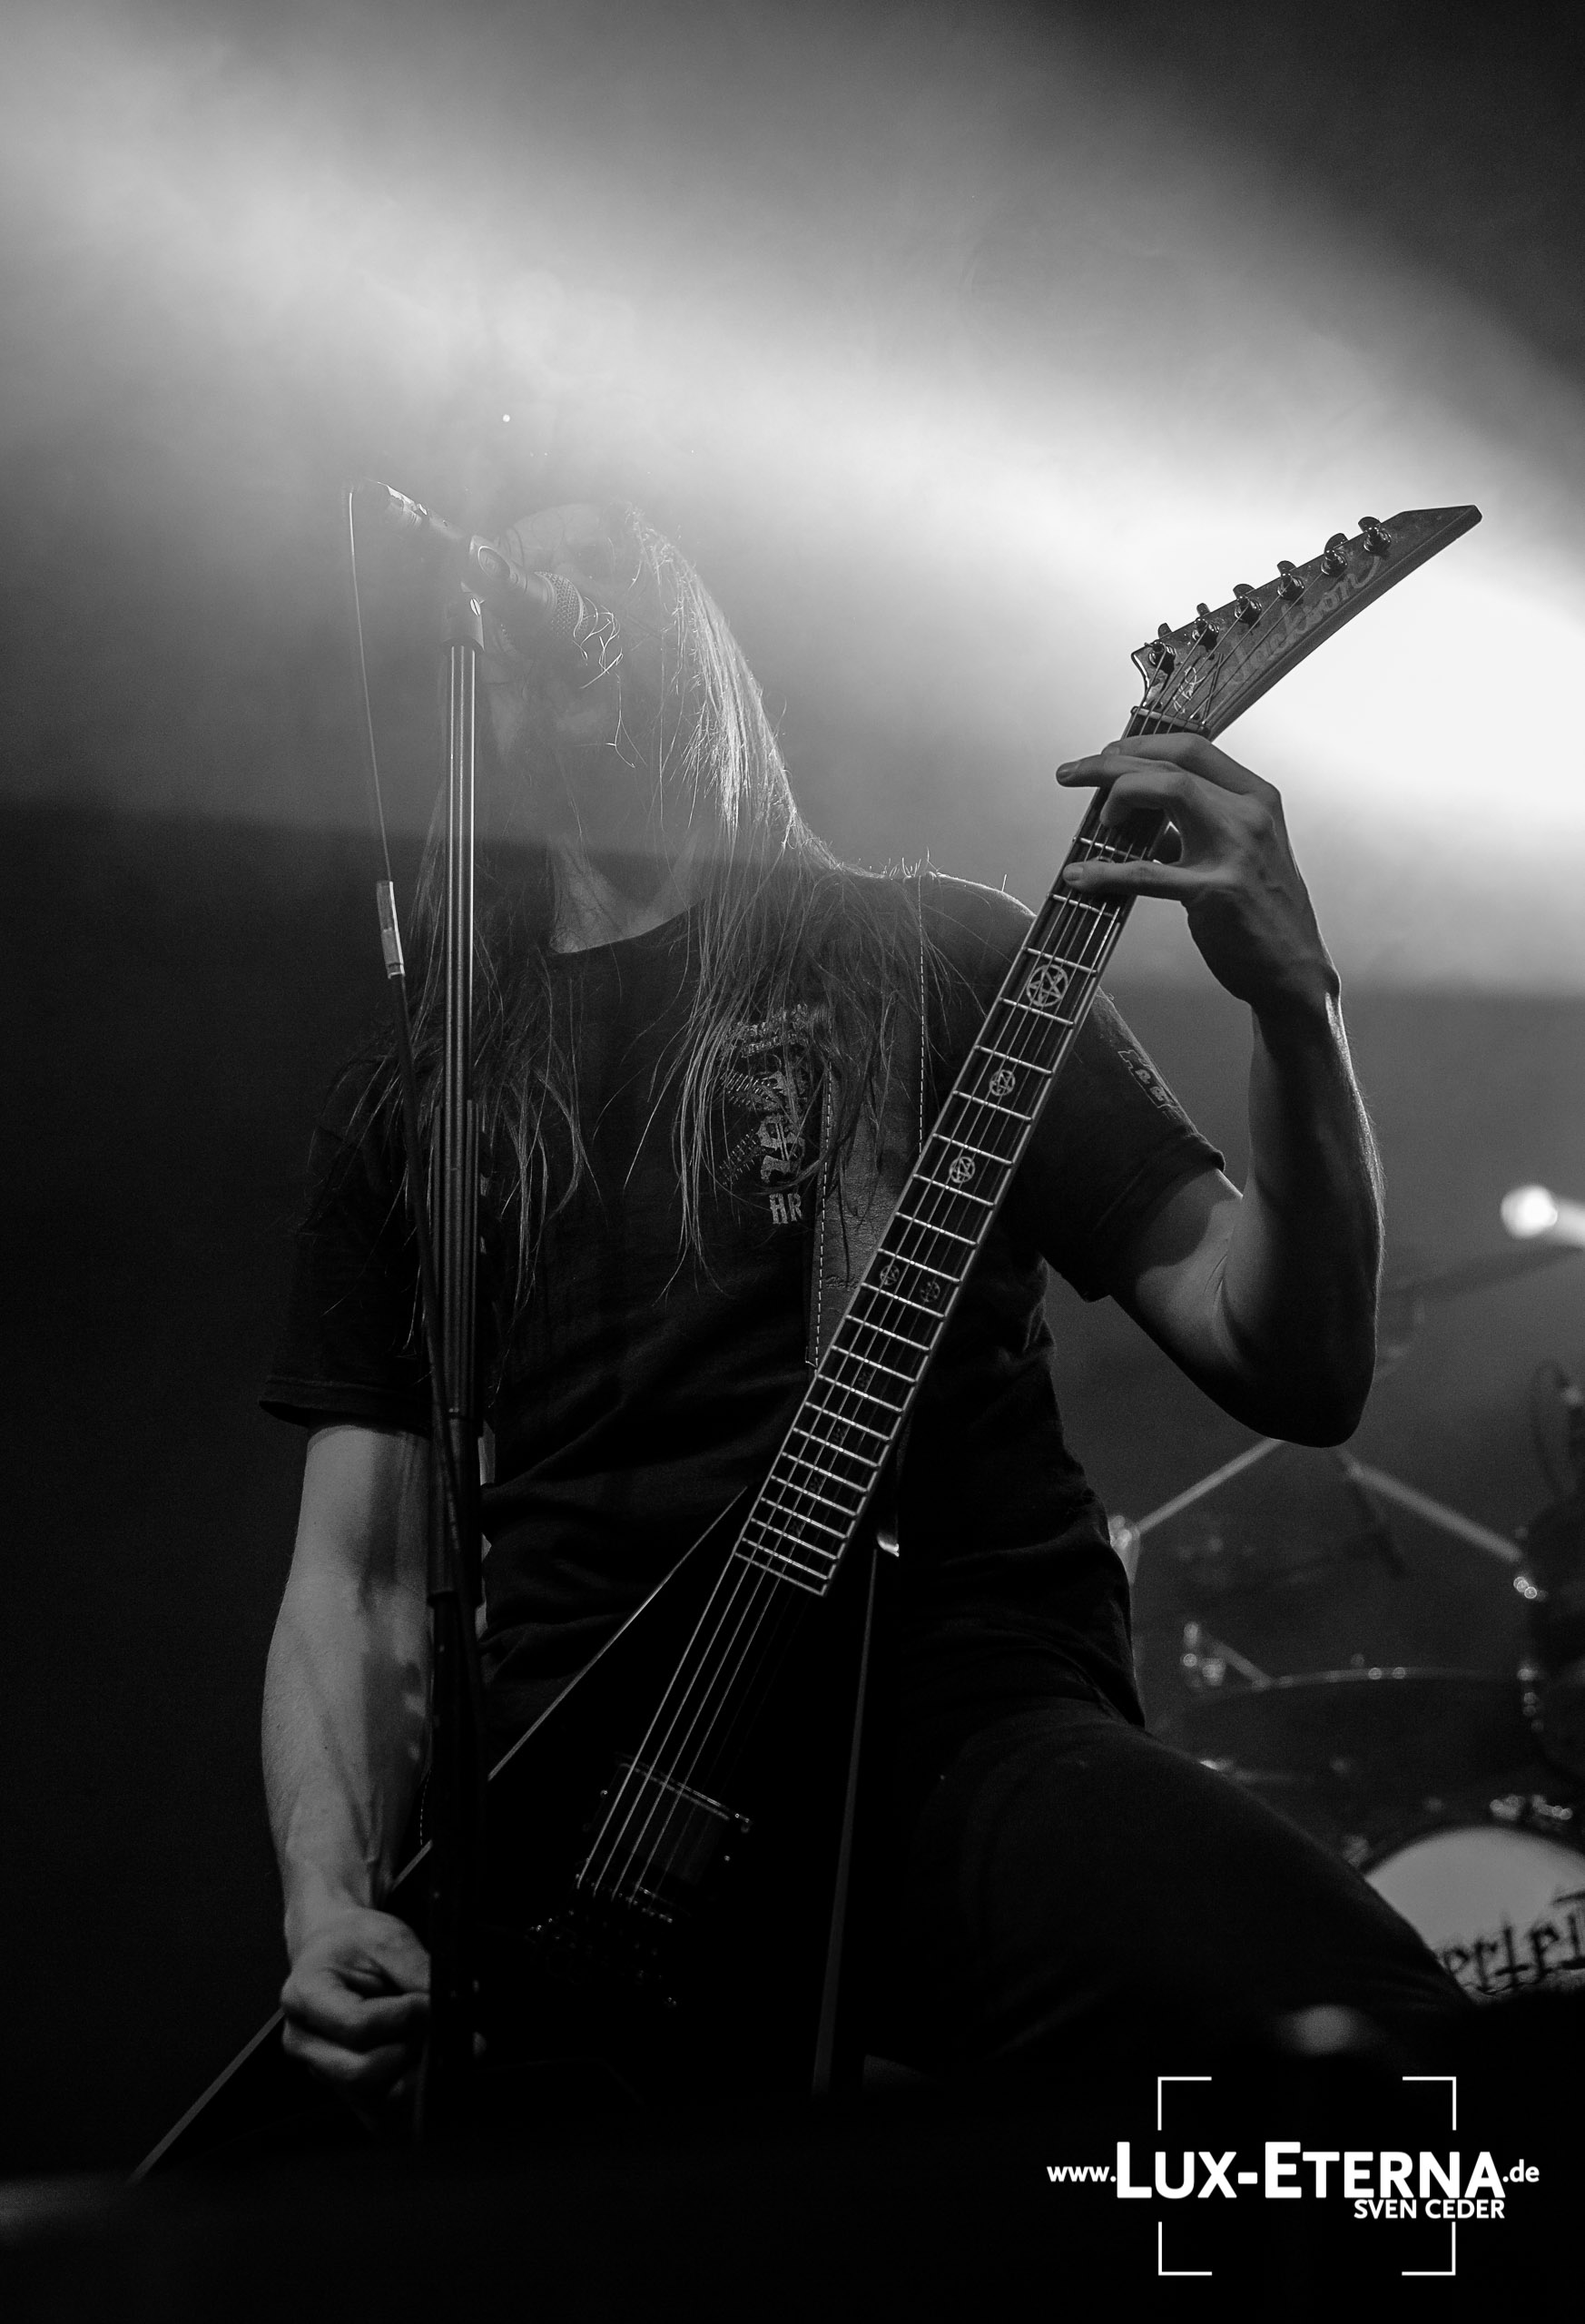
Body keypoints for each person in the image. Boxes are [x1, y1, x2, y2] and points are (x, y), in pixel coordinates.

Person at [261, 500, 1463, 2118]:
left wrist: (1293, 1006)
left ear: (700, 647)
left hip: (954, 1719)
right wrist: (329, 1898)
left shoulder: (932, 956)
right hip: (583, 1822)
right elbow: (357, 1581)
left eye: (597, 559)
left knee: (1379, 2057)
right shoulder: (422, 1096)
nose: (548, 592)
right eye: (518, 578)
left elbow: (1288, 1360)